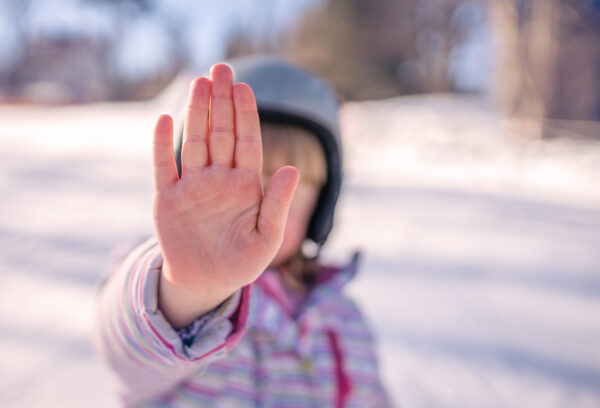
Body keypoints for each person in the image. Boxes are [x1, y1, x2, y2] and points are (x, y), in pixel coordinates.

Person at [93, 56, 391, 407]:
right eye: (241, 185)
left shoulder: (345, 322)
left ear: (321, 208)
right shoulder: (161, 281)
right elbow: (126, 352)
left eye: (289, 188)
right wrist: (188, 291)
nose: (261, 207)